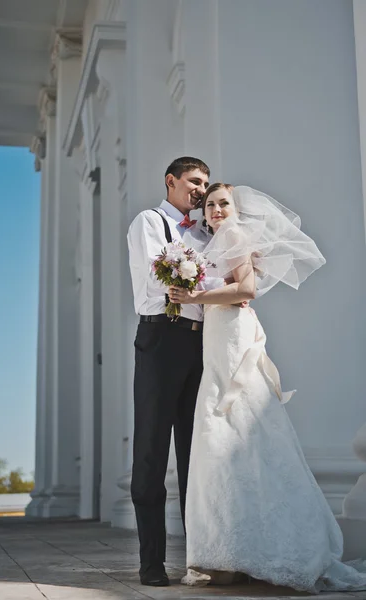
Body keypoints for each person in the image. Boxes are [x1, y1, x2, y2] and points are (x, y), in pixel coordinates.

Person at [169, 183, 366, 593]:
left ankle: (251, 550)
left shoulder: (235, 235)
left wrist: (195, 294)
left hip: (231, 333)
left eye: (224, 203)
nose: (217, 210)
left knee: (235, 418)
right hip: (220, 333)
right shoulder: (218, 239)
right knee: (227, 429)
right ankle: (233, 551)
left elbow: (247, 289)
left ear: (235, 208)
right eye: (211, 205)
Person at [127, 156, 211, 587]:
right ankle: (151, 564)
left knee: (198, 455)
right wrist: (213, 283)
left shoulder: (205, 232)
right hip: (160, 339)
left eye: (205, 184)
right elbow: (161, 278)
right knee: (152, 451)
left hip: (201, 342)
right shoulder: (148, 221)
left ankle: (199, 560)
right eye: (194, 181)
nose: (200, 190)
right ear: (171, 181)